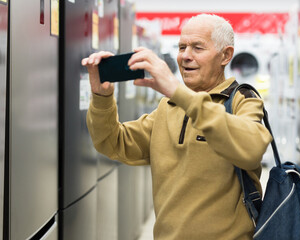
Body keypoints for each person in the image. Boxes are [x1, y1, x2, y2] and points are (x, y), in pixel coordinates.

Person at [82, 14, 272, 240]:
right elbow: (113, 143)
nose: (185, 56)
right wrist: (101, 97)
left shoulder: (243, 100)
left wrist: (177, 91)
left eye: (197, 48)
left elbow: (251, 148)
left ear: (226, 55)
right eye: (182, 47)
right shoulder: (168, 107)